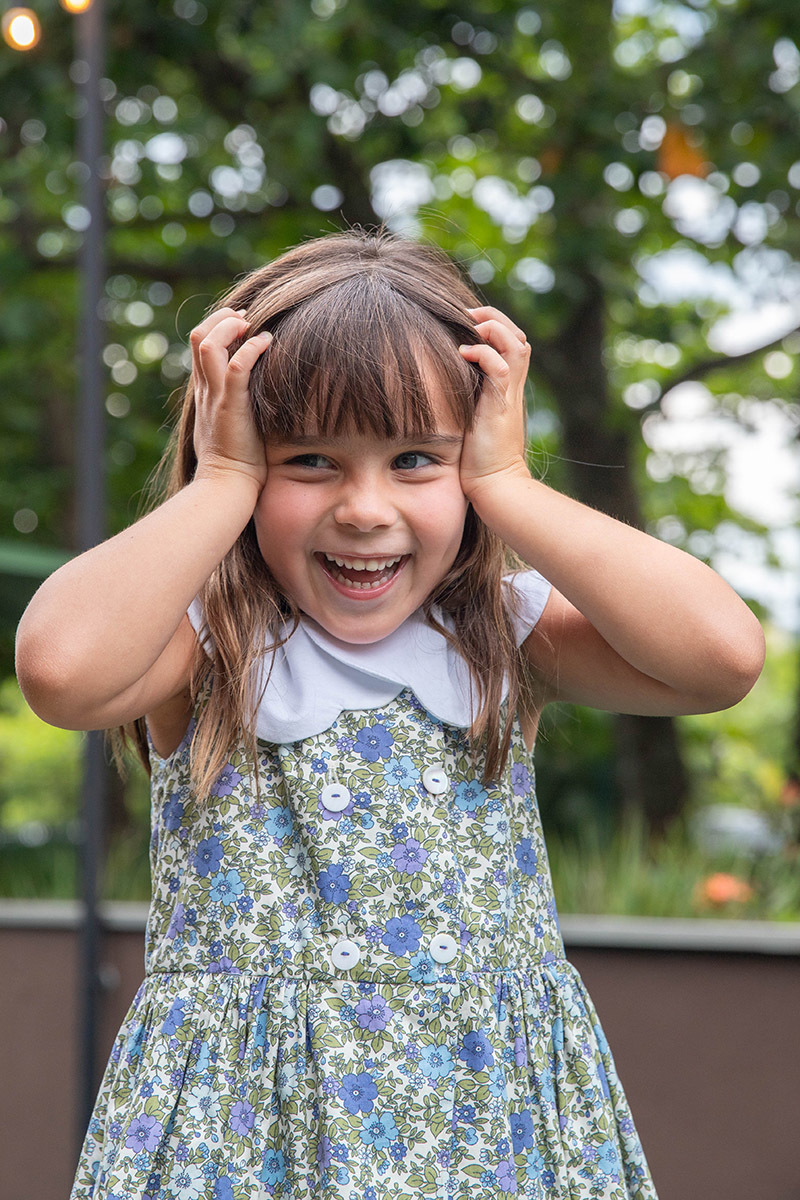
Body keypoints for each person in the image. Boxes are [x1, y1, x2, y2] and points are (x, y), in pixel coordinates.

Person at [16, 229, 764, 1200]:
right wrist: (222, 486)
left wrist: (507, 487)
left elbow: (721, 659)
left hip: (484, 1133)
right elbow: (61, 670)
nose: (365, 508)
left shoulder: (498, 635)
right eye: (309, 460)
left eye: (416, 459)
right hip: (245, 1144)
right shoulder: (204, 642)